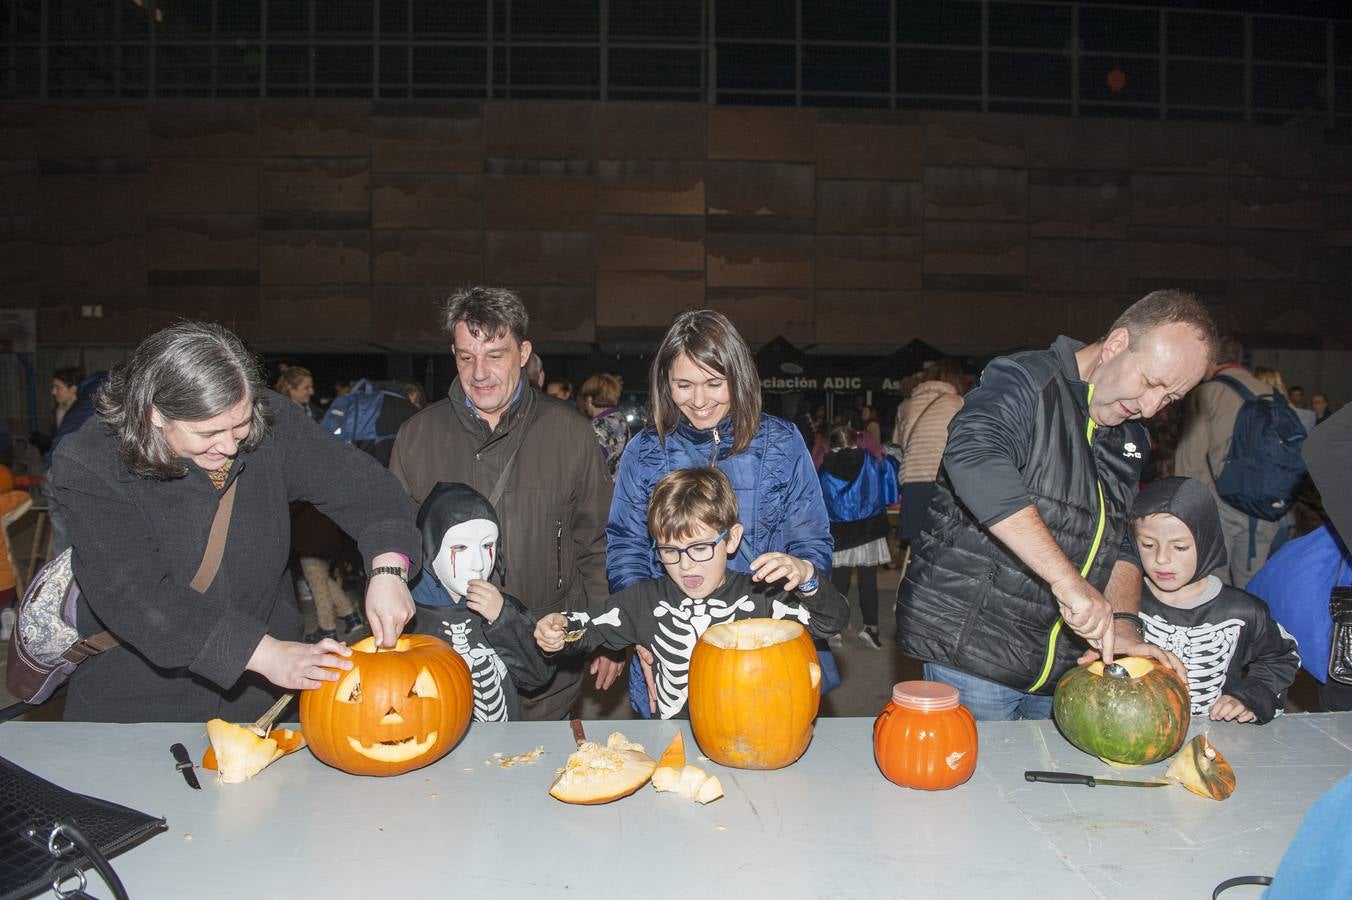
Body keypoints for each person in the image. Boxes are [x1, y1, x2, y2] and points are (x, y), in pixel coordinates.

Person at [47, 321, 421, 723]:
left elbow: (361, 485)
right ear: (155, 414)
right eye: (208, 432)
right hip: (139, 698)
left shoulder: (269, 419)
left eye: (240, 426)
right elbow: (138, 598)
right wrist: (264, 653)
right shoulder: (91, 461)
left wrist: (389, 566)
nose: (229, 446)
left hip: (262, 698)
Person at [895, 289, 1216, 721]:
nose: (1151, 407)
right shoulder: (1026, 380)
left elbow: (1120, 538)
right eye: (1151, 383)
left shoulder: (1131, 437)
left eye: (1170, 399)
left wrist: (1122, 625)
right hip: (975, 655)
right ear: (1117, 344)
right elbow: (974, 457)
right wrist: (1067, 581)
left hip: (1065, 668)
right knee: (979, 785)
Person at [388, 286, 614, 721]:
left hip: (549, 659)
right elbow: (396, 545)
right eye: (466, 355)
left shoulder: (570, 434)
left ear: (524, 352)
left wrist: (603, 634)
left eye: (495, 354)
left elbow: (596, 542)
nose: (480, 372)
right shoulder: (417, 437)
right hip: (450, 665)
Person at [607, 309, 834, 717]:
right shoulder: (644, 451)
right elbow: (626, 546)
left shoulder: (781, 442)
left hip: (765, 644)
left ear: (738, 378)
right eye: (684, 384)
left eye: (714, 383)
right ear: (665, 384)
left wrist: (801, 575)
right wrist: (642, 628)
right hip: (670, 647)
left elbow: (811, 539)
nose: (699, 400)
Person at [537, 467, 847, 718]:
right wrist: (557, 632)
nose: (685, 566)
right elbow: (587, 625)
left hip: (754, 731)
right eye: (669, 551)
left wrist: (808, 576)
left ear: (731, 539)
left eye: (699, 548)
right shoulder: (643, 600)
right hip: (675, 743)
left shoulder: (762, 598)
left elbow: (830, 621)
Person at [1131, 477, 1300, 723]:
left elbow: (1282, 657)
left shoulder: (1242, 611)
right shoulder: (1125, 602)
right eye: (1148, 544)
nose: (1162, 559)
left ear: (1207, 541)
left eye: (1179, 547)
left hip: (1217, 737)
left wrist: (1250, 697)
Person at [409, 482, 554, 721]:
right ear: (429, 547)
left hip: (504, 748)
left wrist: (504, 619)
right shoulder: (409, 616)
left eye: (487, 545)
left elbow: (538, 676)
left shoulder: (503, 607)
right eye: (460, 547)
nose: (478, 563)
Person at [1174, 340, 1290, 585]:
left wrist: (1188, 510)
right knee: (1254, 588)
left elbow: (1190, 459)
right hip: (1264, 509)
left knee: (1215, 587)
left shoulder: (1208, 392)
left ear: (1211, 359)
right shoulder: (1272, 394)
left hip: (1220, 508)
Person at [819, 425, 897, 649]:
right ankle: (871, 629)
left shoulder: (824, 469)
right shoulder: (873, 462)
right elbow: (889, 488)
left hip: (840, 533)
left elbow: (819, 503)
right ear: (856, 440)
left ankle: (835, 631)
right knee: (869, 581)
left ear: (831, 444)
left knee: (839, 582)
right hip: (868, 530)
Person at [892, 358, 965, 549]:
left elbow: (898, 444)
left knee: (917, 543)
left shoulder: (905, 406)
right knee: (948, 541)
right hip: (945, 480)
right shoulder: (959, 403)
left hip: (912, 479)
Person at [578, 373, 630, 478]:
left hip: (600, 489)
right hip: (618, 488)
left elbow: (589, 465)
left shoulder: (597, 426)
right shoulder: (621, 420)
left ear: (589, 399)